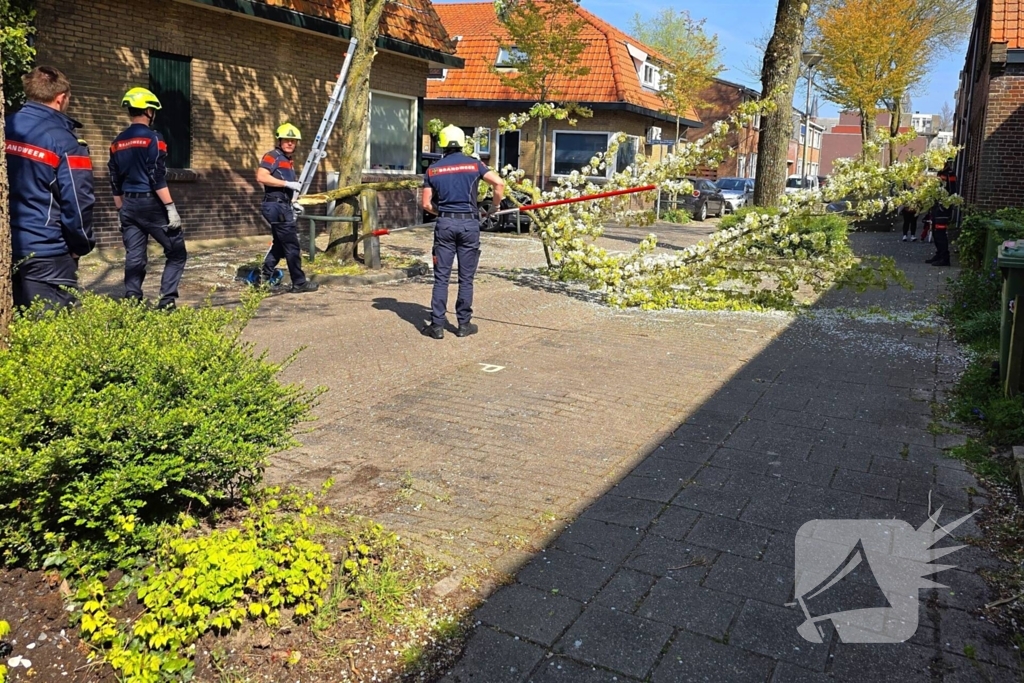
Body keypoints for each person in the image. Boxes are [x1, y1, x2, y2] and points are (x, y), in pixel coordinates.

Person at [5, 66, 95, 309]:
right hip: (47, 254)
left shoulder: (5, 127)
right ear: (61, 97)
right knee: (51, 334)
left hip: (8, 246)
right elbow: (78, 202)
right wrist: (81, 246)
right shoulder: (67, 142)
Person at [420, 125, 505, 339]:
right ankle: (463, 325)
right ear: (461, 142)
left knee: (442, 278)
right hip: (469, 225)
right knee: (466, 279)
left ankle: (437, 326)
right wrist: (494, 207)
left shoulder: (433, 170)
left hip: (446, 225)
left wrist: (443, 212)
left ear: (442, 143)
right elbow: (499, 183)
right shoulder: (474, 165)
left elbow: (426, 204)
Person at [108, 87, 187, 310]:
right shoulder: (154, 138)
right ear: (148, 110)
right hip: (152, 204)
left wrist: (119, 211)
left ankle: (133, 299)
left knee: (135, 255)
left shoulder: (116, 142)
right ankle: (167, 301)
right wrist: (170, 207)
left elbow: (114, 180)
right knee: (177, 252)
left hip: (128, 206)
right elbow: (156, 176)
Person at [255, 123, 317, 293]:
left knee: (280, 246)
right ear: (280, 140)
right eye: (286, 140)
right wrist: (287, 183)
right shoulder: (272, 156)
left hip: (282, 205)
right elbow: (261, 176)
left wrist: (292, 202)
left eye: (293, 140)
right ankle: (299, 283)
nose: (290, 143)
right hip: (276, 206)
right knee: (292, 246)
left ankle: (263, 278)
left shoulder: (287, 161)